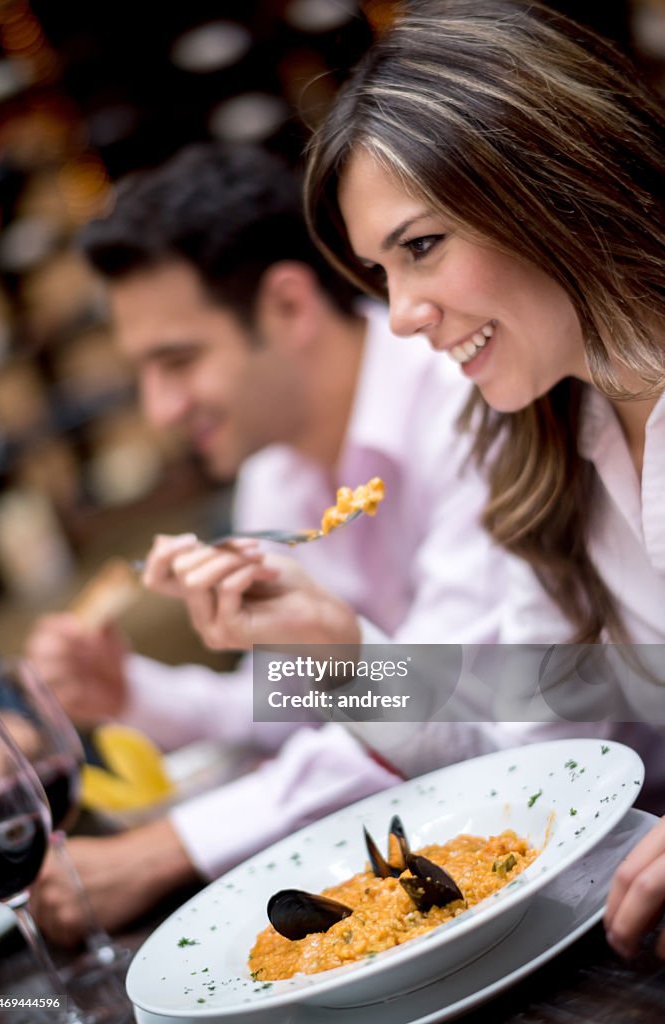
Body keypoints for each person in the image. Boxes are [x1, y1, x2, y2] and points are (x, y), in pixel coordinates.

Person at [142, 2, 665, 958]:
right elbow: (521, 752)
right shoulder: (547, 446)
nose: (401, 316)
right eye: (380, 271)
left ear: (550, 186)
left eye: (421, 247)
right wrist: (343, 654)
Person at [26, 142, 505, 944]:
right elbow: (295, 709)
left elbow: (468, 716)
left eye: (177, 362)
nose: (160, 411)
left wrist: (170, 848)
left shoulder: (469, 399)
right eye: (143, 373)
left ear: (287, 306)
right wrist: (129, 694)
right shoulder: (274, 477)